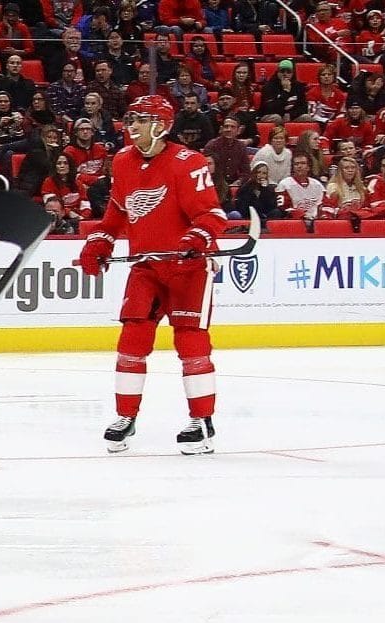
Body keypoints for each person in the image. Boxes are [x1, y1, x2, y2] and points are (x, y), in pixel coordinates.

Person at [76, 94, 228, 457]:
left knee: (190, 342)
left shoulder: (186, 162)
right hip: (146, 266)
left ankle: (202, 421)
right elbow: (116, 212)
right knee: (132, 339)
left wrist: (196, 237)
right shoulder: (124, 161)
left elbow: (213, 216)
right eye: (131, 119)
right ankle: (125, 417)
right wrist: (99, 242)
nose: (132, 126)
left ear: (160, 125)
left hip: (188, 268)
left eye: (141, 120)